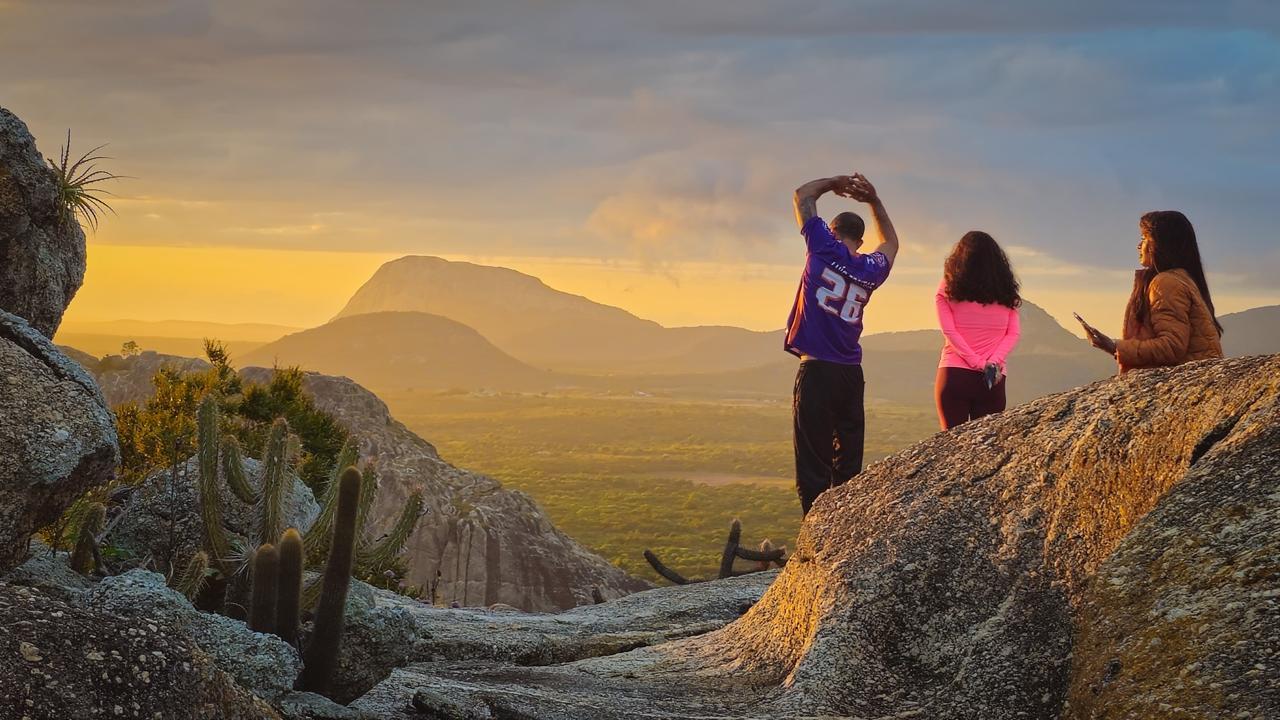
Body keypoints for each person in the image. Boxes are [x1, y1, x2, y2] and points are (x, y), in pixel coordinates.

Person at [785, 172, 899, 515]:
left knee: (812, 462)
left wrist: (833, 182)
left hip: (816, 369)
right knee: (847, 462)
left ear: (832, 231)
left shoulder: (822, 247)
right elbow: (891, 244)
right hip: (851, 373)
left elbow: (802, 195)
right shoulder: (870, 268)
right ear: (860, 241)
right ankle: (845, 530)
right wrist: (874, 200)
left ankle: (815, 537)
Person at [1078, 211, 1223, 372]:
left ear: (1161, 245)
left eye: (1144, 238)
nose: (1139, 246)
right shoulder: (1184, 278)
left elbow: (1172, 346)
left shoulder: (1167, 282)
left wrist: (1114, 346)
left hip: (1189, 380)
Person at [934, 231, 1022, 430]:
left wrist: (977, 362)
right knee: (986, 447)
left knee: (949, 447)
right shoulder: (1007, 293)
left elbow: (949, 331)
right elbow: (1013, 334)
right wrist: (991, 362)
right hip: (993, 379)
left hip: (955, 374)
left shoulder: (947, 287)